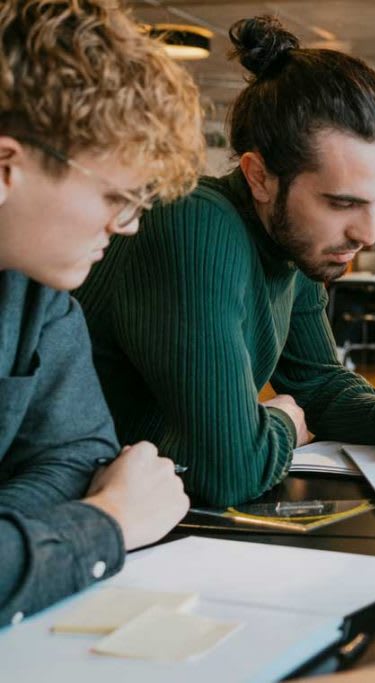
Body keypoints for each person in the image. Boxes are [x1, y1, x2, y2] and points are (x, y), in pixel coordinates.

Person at [75, 16, 375, 509]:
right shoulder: (195, 224)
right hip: (77, 517)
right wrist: (282, 424)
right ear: (259, 177)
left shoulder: (291, 245)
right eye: (341, 203)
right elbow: (227, 471)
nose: (367, 233)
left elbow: (317, 380)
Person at [0, 0, 202, 624]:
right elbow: (99, 495)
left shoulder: (41, 297)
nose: (131, 225)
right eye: (116, 196)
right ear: (6, 167)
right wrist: (107, 522)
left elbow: (77, 458)